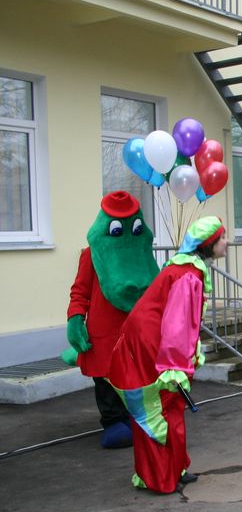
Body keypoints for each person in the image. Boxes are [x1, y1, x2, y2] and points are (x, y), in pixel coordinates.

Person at [107, 216, 228, 494]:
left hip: (151, 341)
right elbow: (177, 325)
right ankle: (160, 478)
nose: (227, 242)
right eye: (222, 237)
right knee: (160, 409)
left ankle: (174, 468)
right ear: (209, 244)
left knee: (170, 407)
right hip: (152, 345)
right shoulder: (188, 275)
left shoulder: (186, 268)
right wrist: (174, 366)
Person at [64, 191, 159, 448]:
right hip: (104, 331)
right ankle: (113, 421)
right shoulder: (93, 254)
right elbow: (80, 291)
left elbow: (156, 288)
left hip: (136, 330)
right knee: (106, 378)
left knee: (136, 375)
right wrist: (75, 319)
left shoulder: (141, 253)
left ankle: (135, 417)